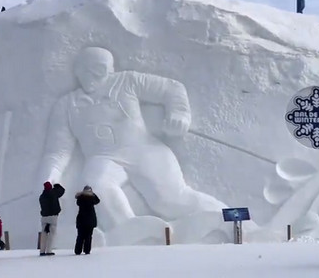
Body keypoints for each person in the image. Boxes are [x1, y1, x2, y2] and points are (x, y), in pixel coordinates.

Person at [37, 47, 224, 232]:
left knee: (170, 200)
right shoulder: (66, 105)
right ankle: (128, 230)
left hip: (142, 149)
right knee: (94, 187)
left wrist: (179, 114)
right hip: (103, 157)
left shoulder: (127, 81)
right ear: (77, 71)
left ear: (110, 70)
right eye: (86, 69)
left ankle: (228, 216)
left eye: (99, 69)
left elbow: (171, 88)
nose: (92, 75)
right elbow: (58, 151)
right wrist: (48, 179)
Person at [39, 181, 65, 256]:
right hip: (53, 216)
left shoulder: (42, 196)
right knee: (51, 234)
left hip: (44, 217)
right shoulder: (53, 193)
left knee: (44, 234)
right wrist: (57, 186)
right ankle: (49, 250)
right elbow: (62, 191)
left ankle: (42, 251)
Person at [75, 185, 100, 255]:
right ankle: (87, 250)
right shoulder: (92, 198)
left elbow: (78, 203)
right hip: (90, 220)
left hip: (81, 220)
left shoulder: (80, 198)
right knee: (88, 236)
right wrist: (93, 194)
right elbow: (98, 201)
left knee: (80, 236)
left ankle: (78, 250)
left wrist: (81, 194)